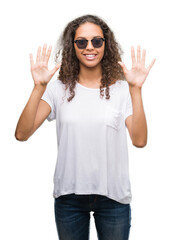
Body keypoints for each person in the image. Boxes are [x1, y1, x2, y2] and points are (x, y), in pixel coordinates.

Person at [15, 14, 156, 240]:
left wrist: (136, 90)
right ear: (73, 46)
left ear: (105, 45)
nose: (89, 47)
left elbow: (139, 141)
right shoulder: (57, 90)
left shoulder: (122, 89)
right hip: (69, 198)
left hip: (113, 198)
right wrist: (39, 87)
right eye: (81, 42)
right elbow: (22, 134)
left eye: (96, 41)